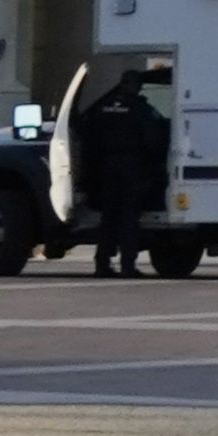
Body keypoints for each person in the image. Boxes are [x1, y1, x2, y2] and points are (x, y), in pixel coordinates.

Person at [68, 70, 170, 279]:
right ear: (136, 87)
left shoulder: (102, 108)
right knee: (129, 218)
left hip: (107, 168)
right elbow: (154, 142)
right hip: (130, 168)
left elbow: (87, 134)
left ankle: (102, 263)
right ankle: (127, 265)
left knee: (109, 218)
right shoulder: (140, 110)